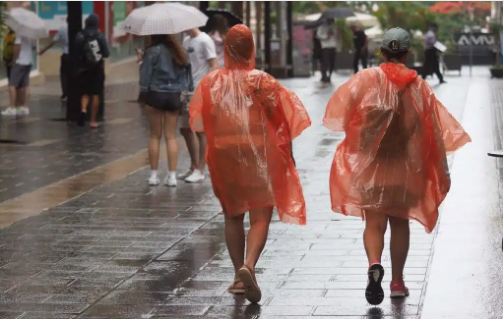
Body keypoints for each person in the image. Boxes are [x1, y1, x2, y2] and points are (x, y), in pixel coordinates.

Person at [323, 27, 470, 305]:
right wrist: (441, 170)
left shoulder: (365, 79)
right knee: (400, 224)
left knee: (374, 223)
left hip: (371, 166)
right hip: (403, 167)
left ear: (381, 51)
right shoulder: (417, 85)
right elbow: (433, 131)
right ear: (407, 52)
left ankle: (374, 263)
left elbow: (345, 116)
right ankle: (398, 282)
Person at [189, 24, 311, 304]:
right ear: (250, 48)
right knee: (259, 216)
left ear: (226, 49)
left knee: (232, 215)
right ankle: (250, 265)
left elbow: (198, 121)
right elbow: (282, 123)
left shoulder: (210, 82)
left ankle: (236, 276)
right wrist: (288, 155)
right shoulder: (261, 81)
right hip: (259, 154)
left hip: (224, 155)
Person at [140, 34, 192, 187]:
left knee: (155, 135)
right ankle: (172, 177)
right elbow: (186, 76)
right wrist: (184, 92)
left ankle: (154, 176)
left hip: (155, 94)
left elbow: (145, 77)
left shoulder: (152, 51)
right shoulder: (179, 51)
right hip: (173, 95)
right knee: (171, 136)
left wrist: (144, 91)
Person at [180, 28, 218, 183]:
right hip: (186, 89)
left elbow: (214, 65)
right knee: (185, 129)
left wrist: (208, 87)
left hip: (200, 90)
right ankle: (193, 166)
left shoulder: (205, 40)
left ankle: (201, 169)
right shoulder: (186, 40)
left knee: (200, 131)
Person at [74, 14, 109, 128]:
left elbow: (77, 53)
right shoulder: (100, 36)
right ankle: (93, 120)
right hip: (97, 69)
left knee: (84, 93)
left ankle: (83, 109)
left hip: (83, 69)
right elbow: (107, 53)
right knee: (95, 94)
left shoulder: (80, 35)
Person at [1, 33, 35, 117]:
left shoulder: (19, 33)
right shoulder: (31, 34)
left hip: (19, 62)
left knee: (12, 85)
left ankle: (12, 108)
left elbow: (17, 46)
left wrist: (13, 60)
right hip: (28, 61)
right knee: (24, 85)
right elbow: (34, 47)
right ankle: (24, 107)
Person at [39, 19, 70, 101]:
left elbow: (54, 41)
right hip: (75, 56)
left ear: (67, 19)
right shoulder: (78, 28)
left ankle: (65, 94)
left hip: (66, 55)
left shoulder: (62, 28)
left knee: (64, 75)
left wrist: (43, 50)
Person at [316, 18, 337, 83]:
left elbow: (336, 36)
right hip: (325, 47)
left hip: (333, 46)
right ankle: (324, 76)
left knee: (332, 62)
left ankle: (329, 76)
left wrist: (334, 33)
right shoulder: (321, 27)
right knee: (325, 62)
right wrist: (326, 36)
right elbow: (318, 35)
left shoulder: (334, 27)